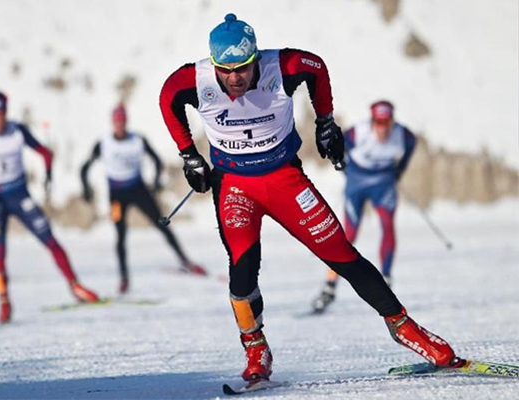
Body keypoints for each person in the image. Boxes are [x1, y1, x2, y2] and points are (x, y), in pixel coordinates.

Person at [159, 13, 462, 383]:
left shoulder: (282, 66)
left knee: (342, 254)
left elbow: (315, 67)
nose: (234, 78)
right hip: (235, 187)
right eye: (225, 70)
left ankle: (405, 329)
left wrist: (325, 121)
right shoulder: (195, 79)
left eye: (243, 68)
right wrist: (188, 154)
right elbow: (167, 98)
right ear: (214, 64)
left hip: (284, 181)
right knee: (241, 271)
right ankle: (255, 349)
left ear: (256, 58)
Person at [0, 91, 99, 324]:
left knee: (50, 240)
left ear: (6, 113)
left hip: (19, 195)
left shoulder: (18, 130)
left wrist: (48, 175)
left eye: (0, 114)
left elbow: (46, 153)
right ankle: (4, 302)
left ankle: (75, 285)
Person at [81, 104, 206, 294]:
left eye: (122, 122)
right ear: (113, 123)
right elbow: (84, 168)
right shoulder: (103, 144)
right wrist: (86, 189)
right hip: (116, 196)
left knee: (162, 225)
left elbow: (156, 161)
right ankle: (124, 279)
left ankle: (185, 261)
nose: (120, 125)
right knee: (120, 235)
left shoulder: (137, 140)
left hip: (138, 190)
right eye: (117, 122)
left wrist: (155, 183)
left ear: (126, 122)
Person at [312, 100, 417, 313]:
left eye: (386, 123)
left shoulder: (402, 134)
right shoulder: (358, 132)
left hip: (383, 183)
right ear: (372, 121)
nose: (382, 128)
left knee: (387, 226)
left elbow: (411, 143)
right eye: (378, 123)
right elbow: (337, 144)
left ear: (392, 121)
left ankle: (386, 279)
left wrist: (400, 169)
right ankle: (330, 285)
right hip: (357, 182)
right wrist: (343, 167)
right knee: (348, 235)